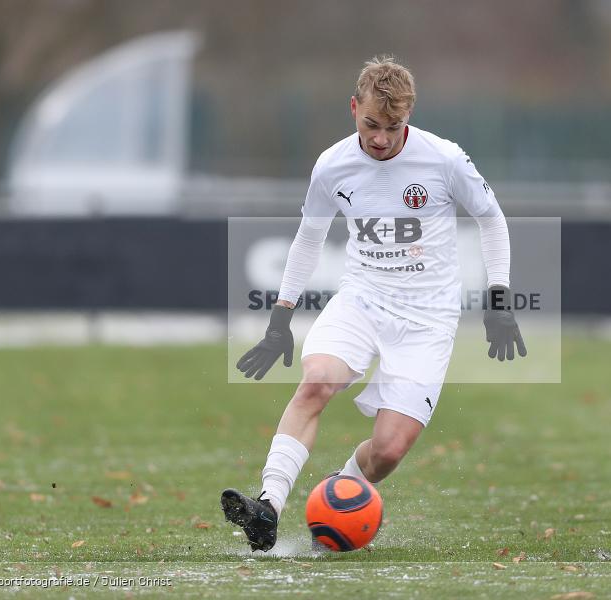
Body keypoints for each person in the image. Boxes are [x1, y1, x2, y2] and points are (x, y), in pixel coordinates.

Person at [221, 55, 525, 552]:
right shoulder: (332, 165)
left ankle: (338, 495)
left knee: (386, 452)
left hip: (428, 319)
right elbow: (308, 238)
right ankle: (268, 505)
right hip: (362, 300)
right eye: (371, 124)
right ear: (353, 108)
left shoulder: (444, 159)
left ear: (409, 117)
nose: (381, 137)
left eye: (393, 126)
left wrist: (499, 300)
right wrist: (280, 320)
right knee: (318, 381)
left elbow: (491, 219)